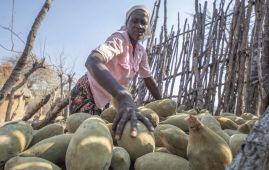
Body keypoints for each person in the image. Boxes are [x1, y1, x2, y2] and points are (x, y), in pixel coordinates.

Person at [70, 5, 161, 140]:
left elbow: (148, 79)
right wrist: (123, 96)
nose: (139, 26)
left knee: (107, 137)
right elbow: (92, 61)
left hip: (107, 100)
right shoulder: (119, 39)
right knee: (85, 138)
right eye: (134, 21)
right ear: (127, 23)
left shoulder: (141, 52)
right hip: (86, 93)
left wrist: (162, 103)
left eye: (143, 23)